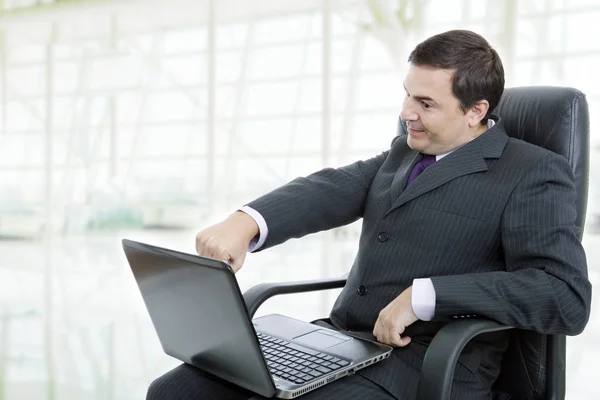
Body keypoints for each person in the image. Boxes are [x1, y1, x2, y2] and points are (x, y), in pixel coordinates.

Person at [146, 29, 591, 400]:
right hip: (343, 344)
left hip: (426, 365)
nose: (406, 114)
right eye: (406, 96)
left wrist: (427, 296)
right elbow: (329, 188)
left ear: (476, 111)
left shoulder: (532, 171)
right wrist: (246, 221)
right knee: (173, 391)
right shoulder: (405, 151)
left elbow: (564, 295)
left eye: (426, 104)